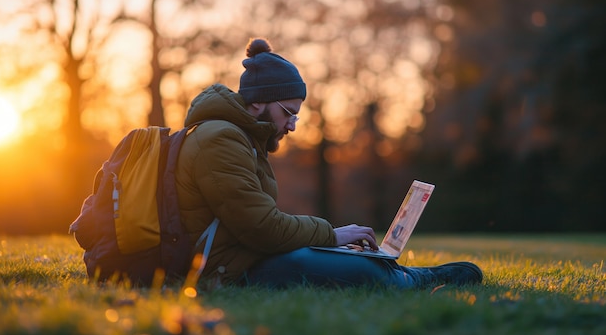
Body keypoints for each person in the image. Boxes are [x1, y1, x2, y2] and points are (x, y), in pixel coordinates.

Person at [175, 37, 483, 289]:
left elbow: (254, 223)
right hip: (221, 270)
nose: (292, 125)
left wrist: (331, 242)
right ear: (257, 102)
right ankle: (412, 279)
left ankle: (398, 273)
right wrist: (333, 235)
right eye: (288, 112)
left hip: (241, 256)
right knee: (361, 272)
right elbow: (262, 228)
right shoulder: (220, 140)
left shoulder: (234, 137)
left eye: (296, 115)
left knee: (332, 258)